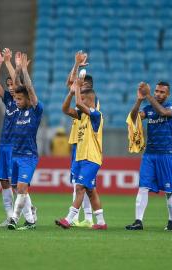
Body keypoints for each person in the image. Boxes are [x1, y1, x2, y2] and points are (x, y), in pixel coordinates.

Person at [55, 74, 107, 230]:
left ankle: (69, 219)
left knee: (79, 188)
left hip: (91, 158)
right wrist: (71, 92)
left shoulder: (96, 116)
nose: (80, 103)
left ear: (90, 100)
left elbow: (78, 102)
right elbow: (64, 109)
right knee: (90, 191)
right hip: (80, 156)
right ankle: (101, 223)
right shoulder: (80, 116)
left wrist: (76, 88)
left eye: (84, 100)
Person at [125, 81, 172, 231]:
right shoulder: (148, 109)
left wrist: (147, 95)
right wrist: (139, 100)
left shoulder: (171, 107)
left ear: (168, 95)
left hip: (166, 154)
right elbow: (133, 118)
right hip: (149, 154)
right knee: (143, 187)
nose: (158, 94)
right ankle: (138, 221)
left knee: (169, 190)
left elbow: (163, 113)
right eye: (156, 91)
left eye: (162, 92)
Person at [7, 52, 43, 231]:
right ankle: (30, 219)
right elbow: (17, 86)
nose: (17, 101)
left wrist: (25, 71)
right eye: (15, 99)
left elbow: (28, 88)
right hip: (15, 153)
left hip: (28, 156)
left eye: (20, 99)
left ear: (28, 99)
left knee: (21, 187)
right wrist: (16, 69)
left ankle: (14, 218)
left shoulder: (35, 110)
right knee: (17, 188)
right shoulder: (19, 110)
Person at [61, 51, 95, 228]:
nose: (81, 86)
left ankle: (84, 218)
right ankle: (86, 218)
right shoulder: (79, 97)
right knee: (80, 183)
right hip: (77, 142)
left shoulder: (90, 103)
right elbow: (70, 84)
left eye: (85, 84)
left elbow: (73, 88)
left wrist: (79, 79)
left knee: (82, 183)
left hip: (87, 146)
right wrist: (76, 66)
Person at [0, 47, 20, 226]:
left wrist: (9, 63)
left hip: (17, 145)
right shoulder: (8, 99)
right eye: (8, 86)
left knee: (16, 183)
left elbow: (19, 83)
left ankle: (27, 211)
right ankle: (10, 215)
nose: (10, 88)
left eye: (12, 85)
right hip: (4, 143)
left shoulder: (25, 100)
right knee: (3, 180)